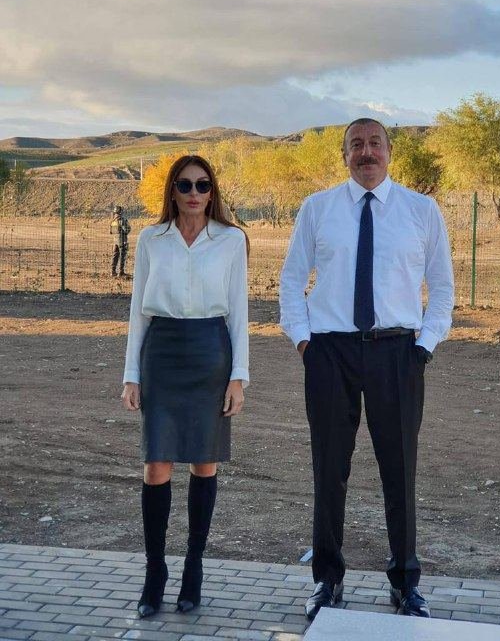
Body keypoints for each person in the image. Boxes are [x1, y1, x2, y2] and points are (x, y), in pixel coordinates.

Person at [280, 118, 454, 622]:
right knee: (329, 470)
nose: (366, 152)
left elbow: (443, 286)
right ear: (344, 155)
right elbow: (291, 280)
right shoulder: (317, 209)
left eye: (375, 143)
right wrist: (304, 343)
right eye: (356, 144)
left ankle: (405, 584)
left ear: (389, 151)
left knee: (399, 471)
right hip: (330, 354)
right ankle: (327, 580)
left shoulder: (421, 211)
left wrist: (424, 347)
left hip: (398, 353)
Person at [121, 154, 249, 619]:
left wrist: (239, 377)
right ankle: (155, 571)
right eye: (185, 185)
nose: (194, 193)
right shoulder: (151, 239)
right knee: (155, 466)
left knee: (203, 463)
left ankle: (194, 566)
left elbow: (239, 311)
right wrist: (131, 374)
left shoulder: (231, 240)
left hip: (210, 353)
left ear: (212, 192)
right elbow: (138, 310)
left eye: (202, 185)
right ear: (171, 191)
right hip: (162, 352)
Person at [110, 205, 131, 277]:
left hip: (115, 240)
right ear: (121, 212)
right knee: (122, 255)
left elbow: (111, 232)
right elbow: (127, 230)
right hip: (122, 240)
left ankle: (113, 271)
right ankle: (121, 272)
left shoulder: (113, 221)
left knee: (115, 255)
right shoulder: (122, 220)